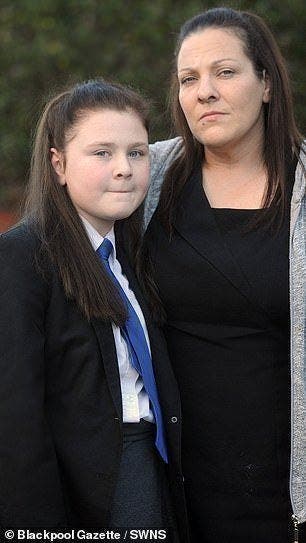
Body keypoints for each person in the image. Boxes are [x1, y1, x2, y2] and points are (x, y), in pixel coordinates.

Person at [142, 7, 306, 543]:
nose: (204, 92)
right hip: (172, 481)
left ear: (265, 83)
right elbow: (52, 242)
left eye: (225, 72)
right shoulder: (145, 176)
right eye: (189, 79)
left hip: (284, 484)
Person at [0, 79, 189, 540]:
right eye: (101, 153)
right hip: (91, 484)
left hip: (152, 465)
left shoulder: (128, 253)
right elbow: (15, 419)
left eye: (137, 152)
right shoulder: (22, 257)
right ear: (59, 164)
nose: (124, 168)